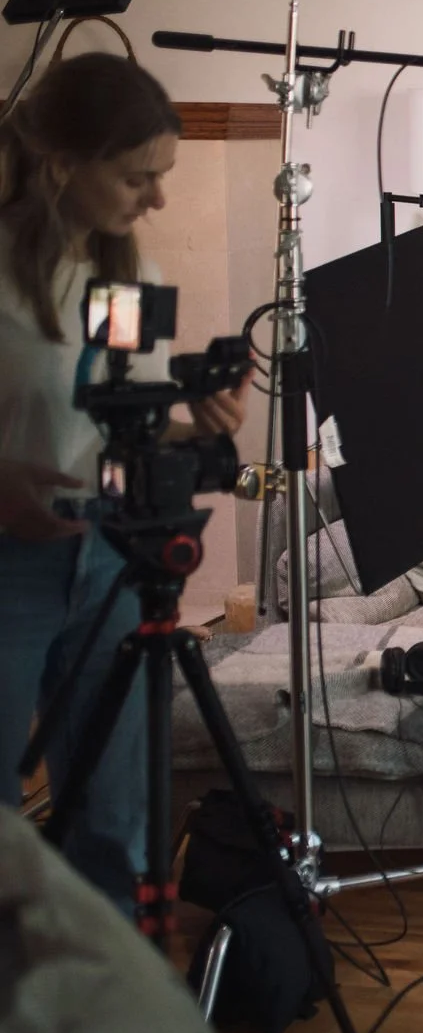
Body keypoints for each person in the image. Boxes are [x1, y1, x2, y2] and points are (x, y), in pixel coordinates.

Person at [0, 51, 249, 913]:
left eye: (165, 175)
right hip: (10, 560)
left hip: (108, 553)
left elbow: (114, 412)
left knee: (115, 815)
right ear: (64, 165)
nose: (157, 199)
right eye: (139, 176)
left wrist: (192, 420)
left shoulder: (124, 277)